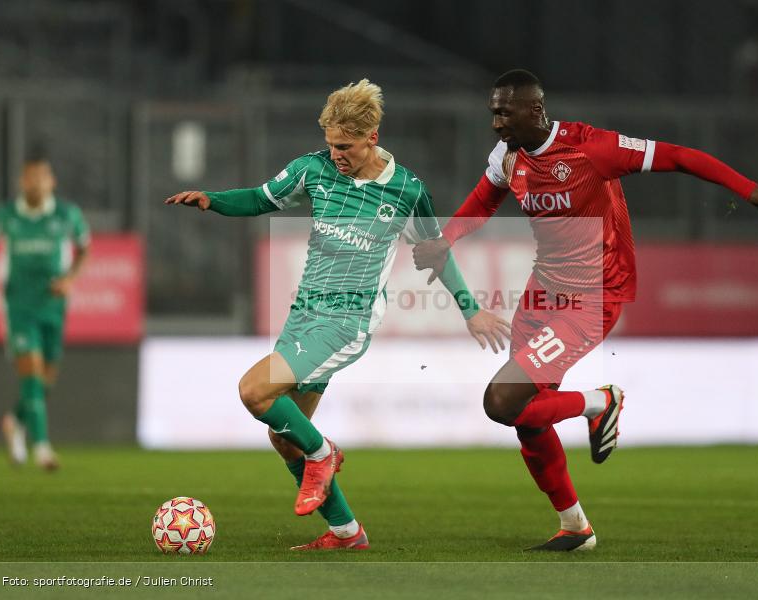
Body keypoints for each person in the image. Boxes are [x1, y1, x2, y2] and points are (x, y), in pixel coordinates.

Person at [412, 69, 758, 551]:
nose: (496, 121)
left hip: (592, 298)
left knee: (501, 401)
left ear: (535, 110)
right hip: (542, 295)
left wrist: (752, 191)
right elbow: (483, 203)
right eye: (492, 112)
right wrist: (446, 239)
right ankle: (575, 527)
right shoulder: (507, 157)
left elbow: (679, 156)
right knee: (526, 418)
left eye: (504, 111)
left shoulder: (592, 148)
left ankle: (601, 401)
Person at [166, 79, 510, 551]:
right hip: (304, 315)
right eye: (331, 144)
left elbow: (435, 253)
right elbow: (260, 198)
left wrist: (470, 311)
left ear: (372, 136)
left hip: (348, 322)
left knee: (255, 390)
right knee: (284, 438)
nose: (336, 154)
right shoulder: (314, 169)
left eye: (344, 146)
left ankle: (325, 453)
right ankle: (348, 532)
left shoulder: (407, 190)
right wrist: (213, 200)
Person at [0, 157, 90, 471]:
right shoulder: (6, 215)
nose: (35, 183)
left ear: (51, 182)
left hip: (52, 306)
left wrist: (70, 279)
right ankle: (42, 448)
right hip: (19, 304)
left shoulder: (66, 215)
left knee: (46, 378)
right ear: (22, 182)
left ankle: (14, 422)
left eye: (41, 177)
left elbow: (84, 248)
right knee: (30, 370)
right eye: (29, 178)